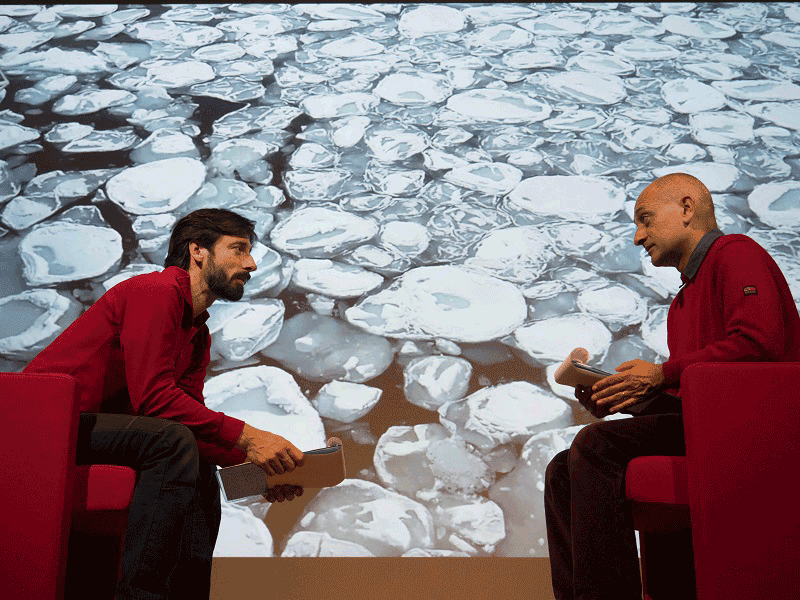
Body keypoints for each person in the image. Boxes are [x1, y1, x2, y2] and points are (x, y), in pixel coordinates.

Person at [23, 208, 305, 600]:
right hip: (41, 428)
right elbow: (154, 399)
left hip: (92, 428)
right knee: (171, 442)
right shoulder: (155, 293)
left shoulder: (198, 331)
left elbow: (186, 419)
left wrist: (258, 470)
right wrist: (248, 436)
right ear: (198, 251)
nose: (251, 263)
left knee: (192, 454)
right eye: (239, 249)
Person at [543, 173, 800, 600]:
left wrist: (661, 374)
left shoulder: (736, 253)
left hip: (755, 432)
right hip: (710, 430)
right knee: (562, 470)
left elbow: (758, 343)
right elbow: (696, 395)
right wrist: (622, 398)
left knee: (594, 448)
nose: (638, 236)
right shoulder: (682, 301)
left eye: (645, 219)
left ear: (686, 208)